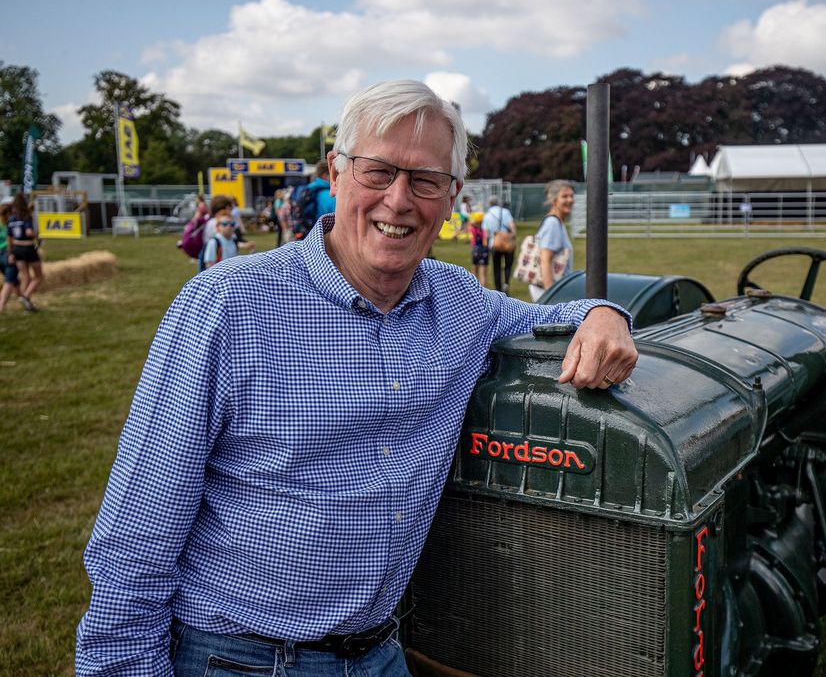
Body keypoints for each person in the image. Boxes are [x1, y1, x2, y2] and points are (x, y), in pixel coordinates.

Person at [76, 79, 637, 677]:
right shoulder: (228, 304)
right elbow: (138, 526)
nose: (399, 201)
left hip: (380, 653)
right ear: (336, 174)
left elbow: (554, 318)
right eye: (377, 171)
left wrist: (605, 312)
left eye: (425, 181)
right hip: (239, 659)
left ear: (451, 200)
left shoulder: (463, 304)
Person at [530, 180, 575, 301]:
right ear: (554, 200)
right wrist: (551, 296)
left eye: (571, 196)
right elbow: (545, 260)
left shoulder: (558, 222)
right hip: (549, 290)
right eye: (565, 196)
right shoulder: (552, 224)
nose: (570, 200)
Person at [5, 193, 42, 310]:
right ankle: (25, 296)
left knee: (25, 276)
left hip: (16, 249)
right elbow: (29, 233)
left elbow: (9, 239)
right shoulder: (26, 216)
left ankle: (27, 305)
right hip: (28, 247)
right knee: (39, 276)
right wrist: (37, 236)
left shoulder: (11, 219)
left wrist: (11, 253)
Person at [483, 196, 516, 293]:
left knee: (496, 267)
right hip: (507, 242)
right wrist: (512, 235)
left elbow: (486, 232)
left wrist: (485, 244)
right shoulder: (505, 212)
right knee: (508, 265)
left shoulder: (487, 215)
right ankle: (506, 283)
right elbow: (513, 228)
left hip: (494, 243)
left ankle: (498, 288)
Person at [201, 201, 240, 269]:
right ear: (217, 227)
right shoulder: (214, 242)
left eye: (232, 224)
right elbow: (209, 265)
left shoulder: (234, 241)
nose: (229, 226)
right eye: (225, 224)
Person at [0, 202, 22, 313]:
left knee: (14, 279)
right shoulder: (12, 223)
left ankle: (22, 299)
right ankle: (1, 307)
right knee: (8, 281)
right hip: (8, 254)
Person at [468, 211, 488, 285]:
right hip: (484, 251)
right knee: (482, 273)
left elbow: (470, 223)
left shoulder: (473, 229)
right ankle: (483, 290)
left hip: (475, 250)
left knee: (474, 270)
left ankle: (474, 286)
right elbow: (485, 242)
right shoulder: (485, 229)